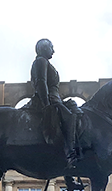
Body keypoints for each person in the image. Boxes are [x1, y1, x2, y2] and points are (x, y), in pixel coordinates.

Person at [31, 39, 80, 170]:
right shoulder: (40, 61)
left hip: (54, 98)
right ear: (44, 48)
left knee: (76, 110)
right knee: (69, 117)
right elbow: (41, 82)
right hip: (50, 99)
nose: (53, 50)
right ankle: (70, 154)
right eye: (51, 47)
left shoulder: (45, 62)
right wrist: (47, 104)